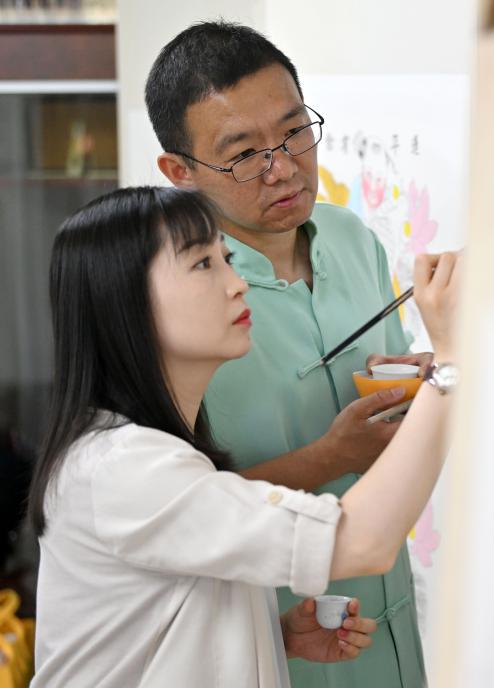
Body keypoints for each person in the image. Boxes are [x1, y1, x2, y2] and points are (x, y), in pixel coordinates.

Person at [27, 187, 460, 687]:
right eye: (202, 265)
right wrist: (450, 361)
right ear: (123, 302)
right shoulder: (123, 469)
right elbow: (364, 542)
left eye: (227, 260)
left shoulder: (146, 452)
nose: (237, 285)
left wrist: (273, 638)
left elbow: (147, 632)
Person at [145, 22, 442, 687]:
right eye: (243, 154)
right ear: (179, 172)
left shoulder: (350, 236)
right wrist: (328, 457)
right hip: (278, 643)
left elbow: (392, 400)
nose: (282, 167)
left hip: (392, 625)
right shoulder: (170, 299)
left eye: (294, 132)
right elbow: (172, 514)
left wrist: (416, 387)